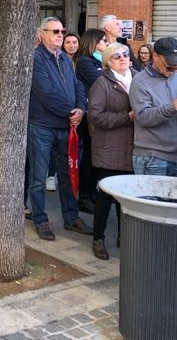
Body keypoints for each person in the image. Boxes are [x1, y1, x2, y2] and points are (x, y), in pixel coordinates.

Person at [27, 17, 91, 241]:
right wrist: (70, 112)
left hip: (65, 126)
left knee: (67, 175)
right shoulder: (36, 58)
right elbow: (45, 93)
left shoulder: (64, 57)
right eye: (55, 31)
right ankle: (40, 219)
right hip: (42, 126)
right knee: (38, 176)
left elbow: (78, 86)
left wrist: (81, 109)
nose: (60, 35)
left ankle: (71, 218)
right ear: (42, 34)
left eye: (62, 31)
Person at [88, 43, 135, 260]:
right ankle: (98, 237)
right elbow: (96, 116)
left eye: (125, 54)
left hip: (132, 146)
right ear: (108, 61)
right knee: (105, 197)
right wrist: (127, 117)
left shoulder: (137, 78)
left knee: (126, 197)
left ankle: (123, 237)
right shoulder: (102, 83)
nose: (123, 58)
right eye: (117, 56)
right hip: (109, 148)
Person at [130, 37, 177, 177]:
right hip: (152, 158)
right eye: (170, 64)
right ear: (155, 56)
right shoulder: (140, 81)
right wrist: (172, 107)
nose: (174, 68)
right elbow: (143, 117)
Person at [75, 29, 108, 214]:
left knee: (96, 156)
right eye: (103, 41)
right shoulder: (85, 62)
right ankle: (84, 196)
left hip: (100, 114)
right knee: (88, 156)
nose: (106, 44)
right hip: (89, 115)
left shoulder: (102, 61)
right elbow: (102, 81)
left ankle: (92, 192)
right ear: (94, 43)